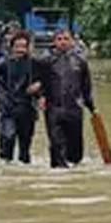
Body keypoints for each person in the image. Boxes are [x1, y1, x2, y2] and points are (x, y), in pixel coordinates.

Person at [40, 28, 95, 169]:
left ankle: (73, 171)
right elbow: (38, 81)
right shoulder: (46, 61)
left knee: (75, 149)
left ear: (72, 41)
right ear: (54, 42)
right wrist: (40, 96)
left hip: (74, 108)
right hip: (53, 108)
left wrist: (92, 107)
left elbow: (86, 86)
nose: (63, 42)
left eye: (66, 39)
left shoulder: (81, 61)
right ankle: (58, 172)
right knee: (56, 144)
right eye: (59, 39)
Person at [0, 31, 43, 164]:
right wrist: (1, 100)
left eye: (23, 46)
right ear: (12, 47)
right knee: (8, 138)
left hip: (27, 108)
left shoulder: (34, 63)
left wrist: (39, 86)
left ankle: (24, 169)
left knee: (25, 146)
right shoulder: (4, 63)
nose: (20, 50)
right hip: (8, 107)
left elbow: (46, 78)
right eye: (17, 46)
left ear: (28, 47)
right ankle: (6, 167)